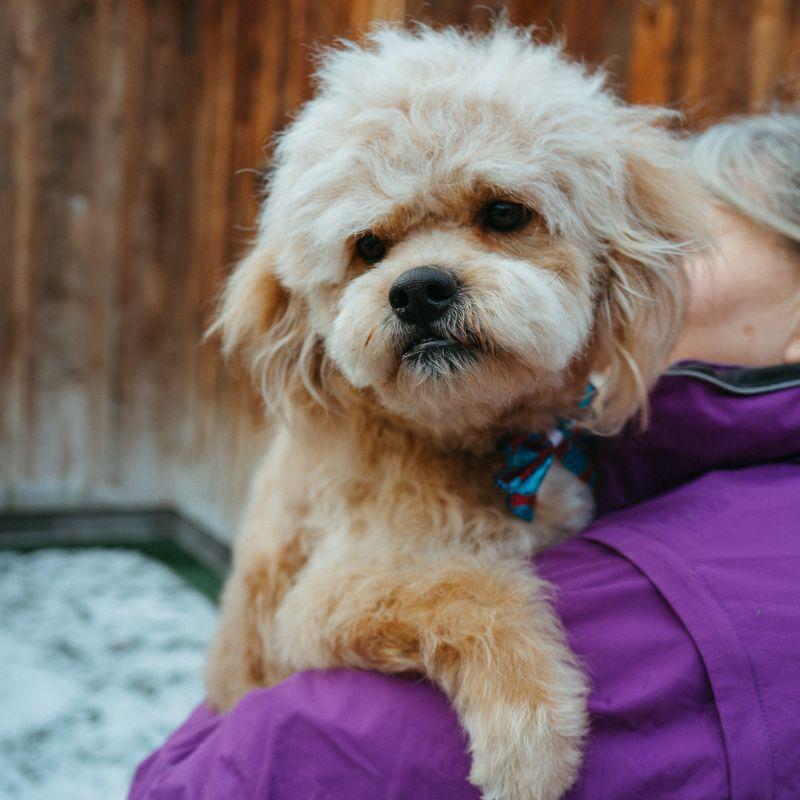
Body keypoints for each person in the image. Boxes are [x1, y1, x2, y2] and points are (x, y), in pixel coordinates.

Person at [129, 113, 800, 800]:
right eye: (370, 248)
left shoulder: (736, 546)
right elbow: (317, 612)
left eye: (502, 216)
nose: (418, 282)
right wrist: (475, 631)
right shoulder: (630, 441)